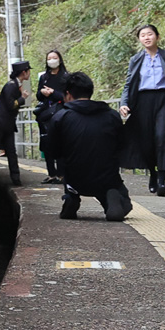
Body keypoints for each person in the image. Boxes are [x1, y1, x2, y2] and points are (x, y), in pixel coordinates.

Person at [119, 25, 165, 196]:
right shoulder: (136, 59)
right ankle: (152, 174)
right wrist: (124, 103)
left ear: (157, 37)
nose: (146, 37)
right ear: (139, 39)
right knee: (146, 140)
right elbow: (129, 84)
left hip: (164, 99)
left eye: (149, 34)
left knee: (163, 137)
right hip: (142, 102)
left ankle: (161, 180)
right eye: (142, 35)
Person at [52, 72, 131, 221]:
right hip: (106, 178)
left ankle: (71, 197)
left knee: (67, 163)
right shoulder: (112, 115)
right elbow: (122, 146)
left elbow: (53, 150)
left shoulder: (60, 117)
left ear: (68, 94)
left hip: (75, 179)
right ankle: (112, 197)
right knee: (114, 190)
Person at [34, 50, 70, 183]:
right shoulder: (44, 77)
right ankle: (51, 174)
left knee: (60, 143)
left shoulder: (66, 77)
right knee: (47, 143)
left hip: (61, 112)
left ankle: (62, 174)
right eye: (49, 58)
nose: (52, 60)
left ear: (60, 59)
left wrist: (53, 93)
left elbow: (66, 96)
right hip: (46, 114)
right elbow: (38, 95)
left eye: (54, 57)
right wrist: (43, 92)